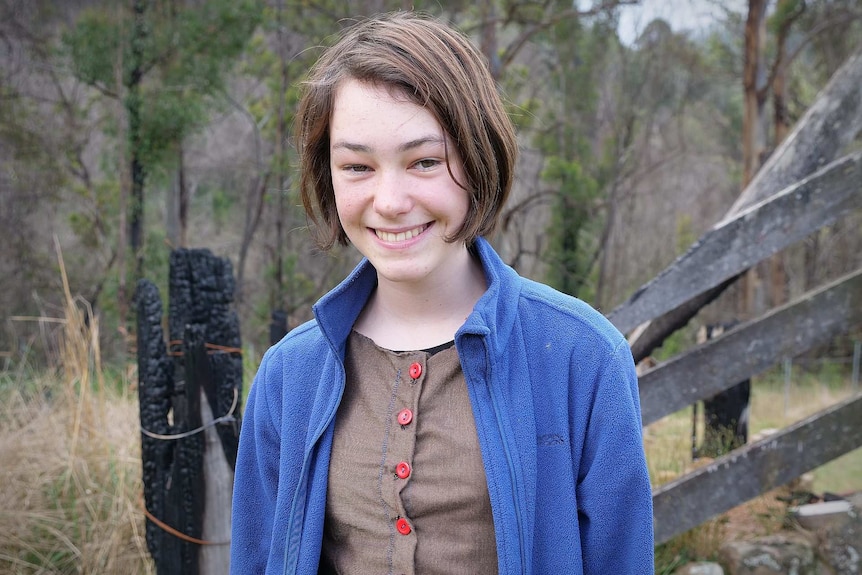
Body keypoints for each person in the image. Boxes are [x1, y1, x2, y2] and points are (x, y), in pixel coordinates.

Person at [231, 11, 654, 575]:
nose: (390, 200)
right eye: (357, 166)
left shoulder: (582, 356)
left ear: (478, 160)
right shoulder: (289, 375)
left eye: (424, 161)